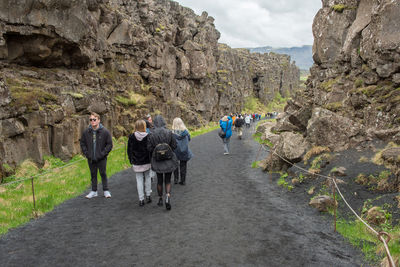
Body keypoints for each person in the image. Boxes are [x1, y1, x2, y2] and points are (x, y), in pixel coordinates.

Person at [147, 115, 178, 210]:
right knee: (168, 180)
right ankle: (167, 195)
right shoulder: (169, 132)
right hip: (168, 159)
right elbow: (174, 145)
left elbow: (149, 148)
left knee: (159, 181)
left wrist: (156, 153)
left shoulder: (151, 134)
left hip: (157, 160)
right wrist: (168, 152)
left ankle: (160, 198)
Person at [80, 112, 113, 199]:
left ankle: (106, 190)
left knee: (103, 173)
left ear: (99, 120)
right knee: (93, 174)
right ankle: (94, 191)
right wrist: (87, 153)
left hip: (101, 158)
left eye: (94, 119)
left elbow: (109, 144)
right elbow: (82, 143)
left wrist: (103, 154)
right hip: (91, 158)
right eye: (91, 120)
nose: (92, 121)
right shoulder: (86, 132)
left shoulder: (105, 132)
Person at [127, 120, 152, 206]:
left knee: (139, 180)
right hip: (147, 161)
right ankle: (148, 195)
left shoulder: (131, 137)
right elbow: (150, 149)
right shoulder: (148, 136)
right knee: (148, 178)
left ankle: (141, 199)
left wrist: (131, 160)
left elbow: (129, 150)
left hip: (136, 162)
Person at [171, 118, 193, 185]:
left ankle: (176, 179)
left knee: (175, 165)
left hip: (175, 151)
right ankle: (183, 180)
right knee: (183, 166)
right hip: (184, 150)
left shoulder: (172, 133)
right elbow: (189, 139)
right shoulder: (186, 132)